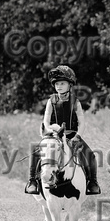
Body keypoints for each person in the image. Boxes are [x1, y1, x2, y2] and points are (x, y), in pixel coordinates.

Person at [25, 65, 101, 195]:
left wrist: (78, 136)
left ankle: (92, 182)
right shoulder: (51, 101)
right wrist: (50, 131)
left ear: (70, 85)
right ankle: (32, 181)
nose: (58, 86)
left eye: (62, 83)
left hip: (71, 135)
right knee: (35, 151)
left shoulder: (75, 102)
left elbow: (82, 123)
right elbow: (46, 120)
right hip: (53, 135)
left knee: (90, 155)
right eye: (56, 84)